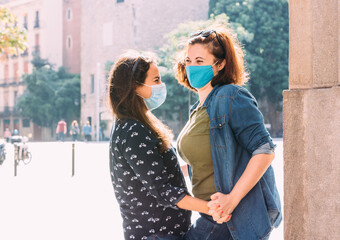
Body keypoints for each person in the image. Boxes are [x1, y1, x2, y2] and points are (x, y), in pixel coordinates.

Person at [175, 27, 282, 239]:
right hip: (210, 213)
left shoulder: (231, 96)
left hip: (231, 217)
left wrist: (230, 200)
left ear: (220, 64)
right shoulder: (198, 108)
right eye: (188, 61)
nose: (192, 67)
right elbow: (210, 158)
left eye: (199, 61)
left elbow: (265, 151)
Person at [107, 52, 227, 240]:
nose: (161, 86)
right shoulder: (133, 130)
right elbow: (162, 190)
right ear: (135, 87)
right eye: (155, 80)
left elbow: (153, 173)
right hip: (156, 235)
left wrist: (198, 167)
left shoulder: (133, 124)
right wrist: (212, 209)